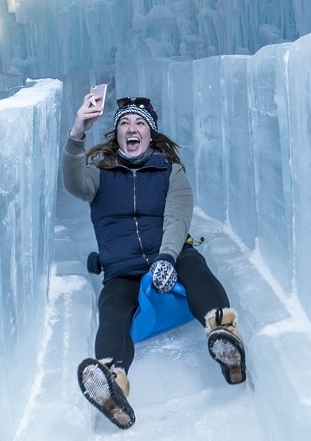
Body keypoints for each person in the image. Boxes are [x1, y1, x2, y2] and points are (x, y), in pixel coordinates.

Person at [61, 93, 247, 429]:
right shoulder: (100, 174)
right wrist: (77, 132)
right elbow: (72, 183)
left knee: (195, 266)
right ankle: (112, 379)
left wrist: (167, 258)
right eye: (124, 123)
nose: (132, 128)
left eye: (139, 122)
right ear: (116, 134)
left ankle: (222, 332)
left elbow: (177, 218)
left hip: (170, 256)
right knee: (113, 305)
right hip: (122, 270)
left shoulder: (169, 172)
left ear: (151, 132)